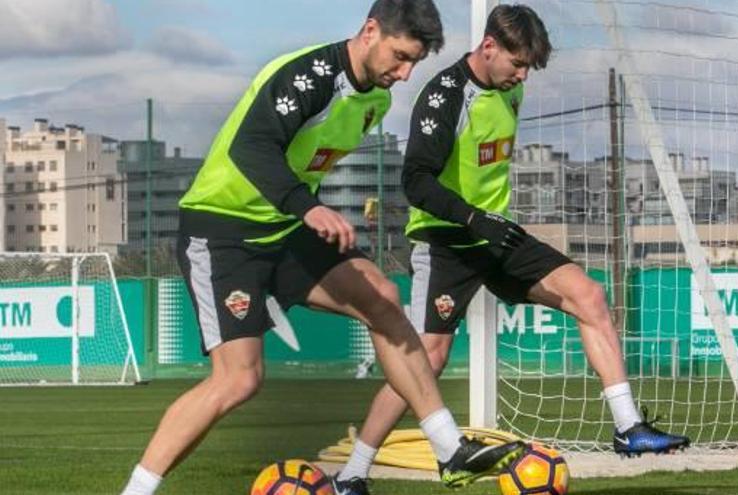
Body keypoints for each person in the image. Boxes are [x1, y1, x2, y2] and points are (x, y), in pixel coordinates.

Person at [120, 2, 526, 494]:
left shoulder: (374, 99)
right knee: (238, 381)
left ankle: (449, 451)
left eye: (414, 63)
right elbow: (251, 148)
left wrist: (305, 210)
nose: (404, 74)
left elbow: (305, 163)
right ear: (370, 30)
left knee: (382, 298)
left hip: (286, 227)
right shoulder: (308, 76)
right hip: (224, 231)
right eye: (399, 57)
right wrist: (308, 208)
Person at [333, 4, 691, 493]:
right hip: (446, 243)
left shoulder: (511, 88)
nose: (521, 76)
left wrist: (489, 222)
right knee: (426, 360)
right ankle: (352, 475)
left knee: (588, 295)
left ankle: (629, 429)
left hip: (498, 237)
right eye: (517, 64)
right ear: (488, 47)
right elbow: (416, 182)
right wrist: (474, 218)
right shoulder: (443, 97)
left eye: (527, 68)